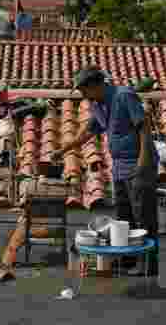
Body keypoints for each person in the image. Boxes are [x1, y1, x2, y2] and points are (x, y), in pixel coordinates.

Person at [54, 66, 158, 275]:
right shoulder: (97, 105)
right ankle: (128, 259)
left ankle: (149, 264)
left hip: (138, 163)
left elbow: (143, 127)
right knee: (124, 217)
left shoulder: (124, 95)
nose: (83, 96)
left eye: (84, 90)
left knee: (144, 216)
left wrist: (142, 164)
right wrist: (63, 150)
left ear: (96, 85)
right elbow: (88, 132)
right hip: (119, 166)